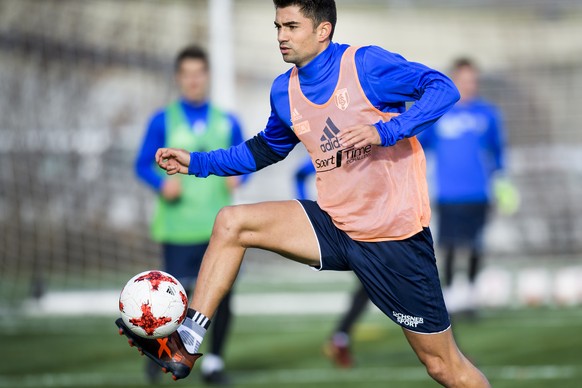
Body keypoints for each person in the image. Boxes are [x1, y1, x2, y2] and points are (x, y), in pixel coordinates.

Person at [117, 1, 491, 386]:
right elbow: (265, 149)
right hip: (333, 225)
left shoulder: (365, 66)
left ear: (323, 30)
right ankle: (186, 344)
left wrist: (386, 131)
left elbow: (442, 88)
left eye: (292, 26)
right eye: (278, 26)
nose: (281, 36)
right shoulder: (284, 91)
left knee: (443, 367)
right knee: (232, 222)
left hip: (393, 239)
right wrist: (196, 163)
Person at [134, 45, 244, 385]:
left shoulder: (227, 121)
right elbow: (141, 164)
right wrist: (159, 183)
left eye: (199, 73)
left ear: (207, 76)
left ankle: (213, 362)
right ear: (179, 78)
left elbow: (247, 161)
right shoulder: (162, 120)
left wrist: (241, 174)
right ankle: (162, 352)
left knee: (221, 299)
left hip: (220, 229)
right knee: (171, 302)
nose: (194, 80)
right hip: (178, 227)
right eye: (187, 74)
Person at [419, 58, 508, 314]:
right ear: (453, 81)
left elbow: (497, 151)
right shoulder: (439, 112)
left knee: (475, 245)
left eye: (473, 80)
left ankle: (469, 296)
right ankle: (448, 297)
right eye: (464, 80)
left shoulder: (487, 113)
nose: (469, 85)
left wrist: (501, 180)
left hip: (479, 192)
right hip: (448, 193)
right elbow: (420, 146)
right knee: (448, 245)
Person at [295, 157, 368, 368]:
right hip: (355, 231)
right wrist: (309, 213)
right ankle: (448, 353)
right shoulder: (340, 152)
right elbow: (300, 173)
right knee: (415, 280)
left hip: (369, 227)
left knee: (371, 286)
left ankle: (340, 337)